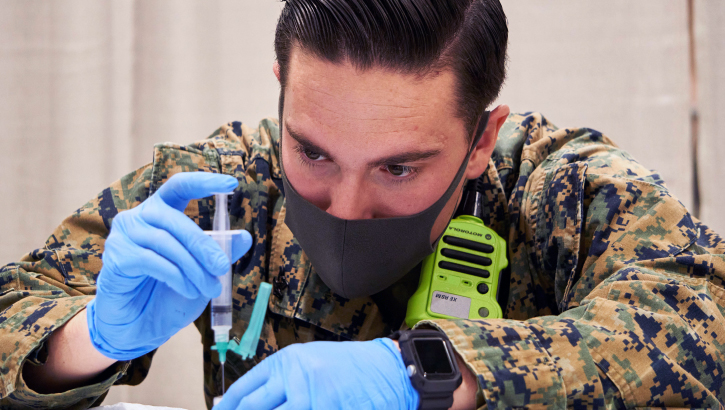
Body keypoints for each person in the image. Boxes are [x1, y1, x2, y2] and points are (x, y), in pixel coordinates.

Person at [1, 0, 724, 409]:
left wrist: (437, 373)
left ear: (480, 140)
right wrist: (88, 342)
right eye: (312, 152)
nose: (345, 206)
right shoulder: (219, 193)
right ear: (280, 87)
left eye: (398, 167)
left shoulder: (560, 190)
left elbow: (703, 325)